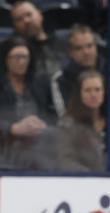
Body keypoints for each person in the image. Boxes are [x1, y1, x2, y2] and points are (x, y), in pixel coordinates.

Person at [0, 34, 56, 169]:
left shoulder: (41, 82)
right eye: (16, 57)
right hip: (5, 146)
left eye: (25, 57)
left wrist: (43, 123)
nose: (21, 61)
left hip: (39, 145)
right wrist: (12, 128)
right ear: (5, 59)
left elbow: (54, 113)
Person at [9, 0, 60, 78]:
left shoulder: (65, 44)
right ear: (14, 26)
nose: (26, 21)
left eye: (29, 14)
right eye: (19, 19)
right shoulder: (12, 51)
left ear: (40, 15)